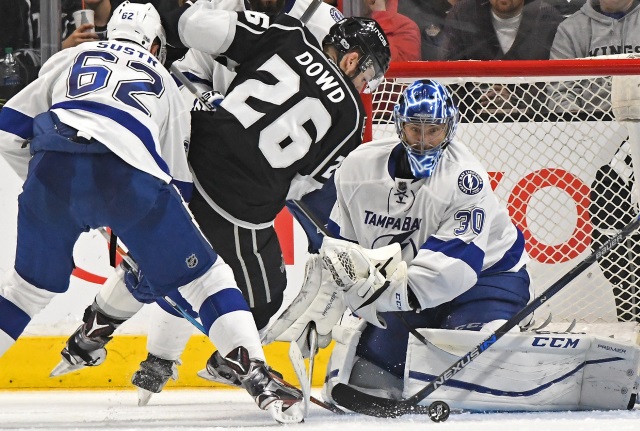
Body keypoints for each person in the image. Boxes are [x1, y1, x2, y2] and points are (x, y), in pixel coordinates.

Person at [53, 0, 391, 404]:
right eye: (368, 73)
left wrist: (217, 102)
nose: (366, 85)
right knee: (263, 296)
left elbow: (193, 26)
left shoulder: (288, 32)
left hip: (187, 155)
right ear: (352, 59)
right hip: (237, 205)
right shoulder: (353, 118)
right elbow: (299, 186)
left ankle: (94, 329)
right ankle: (235, 361)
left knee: (160, 253)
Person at [0, 1, 304, 424]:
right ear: (157, 43)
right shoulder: (165, 79)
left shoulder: (70, 57)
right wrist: (142, 228)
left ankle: (98, 332)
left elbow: (7, 129)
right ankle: (256, 374)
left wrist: (46, 185)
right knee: (207, 279)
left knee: (24, 293)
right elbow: (178, 185)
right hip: (130, 176)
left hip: (52, 168)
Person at [263, 78, 532, 406]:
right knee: (365, 378)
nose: (424, 142)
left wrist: (376, 296)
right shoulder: (358, 168)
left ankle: (504, 327)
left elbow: (456, 270)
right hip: (405, 288)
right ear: (399, 127)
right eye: (415, 130)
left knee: (467, 367)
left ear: (450, 129)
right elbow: (344, 249)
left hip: (488, 282)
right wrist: (337, 295)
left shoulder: (464, 178)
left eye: (434, 130)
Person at [549, 0, 640, 322]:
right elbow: (556, 91)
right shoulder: (573, 29)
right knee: (610, 239)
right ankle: (625, 314)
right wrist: (585, 121)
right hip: (593, 139)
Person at [439, 0, 563, 116]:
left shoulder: (547, 18)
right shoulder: (462, 14)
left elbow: (556, 83)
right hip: (471, 122)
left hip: (535, 121)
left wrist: (518, 100)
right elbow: (448, 77)